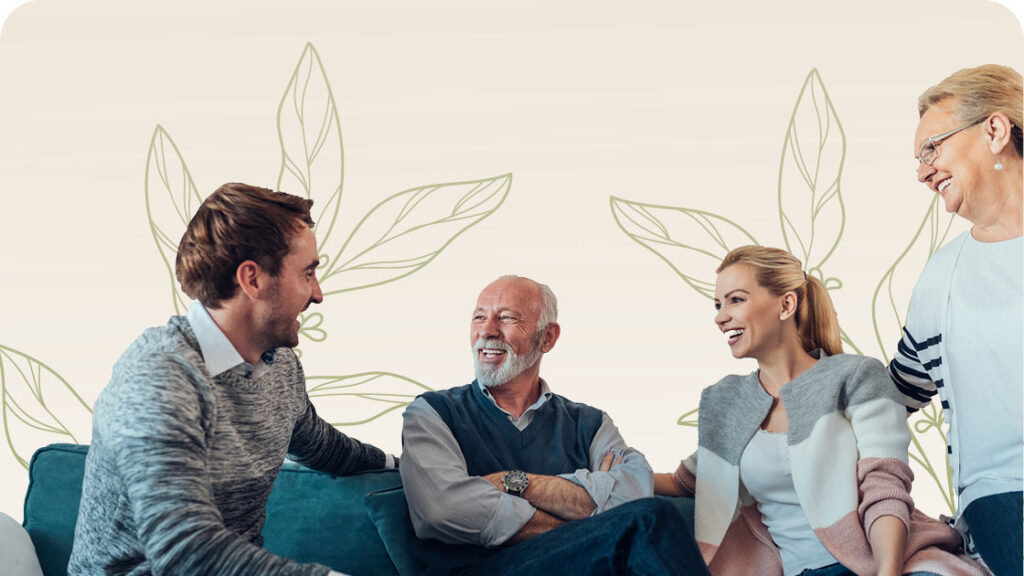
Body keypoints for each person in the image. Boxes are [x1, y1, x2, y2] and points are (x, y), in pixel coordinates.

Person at [69, 183, 396, 576]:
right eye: (307, 272)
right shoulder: (159, 375)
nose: (318, 293)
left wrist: (402, 465)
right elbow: (184, 549)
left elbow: (321, 445)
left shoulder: (279, 366)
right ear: (252, 279)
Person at [654, 246, 984, 576]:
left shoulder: (855, 376)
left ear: (786, 305)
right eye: (718, 304)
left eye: (736, 300)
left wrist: (887, 573)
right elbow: (687, 481)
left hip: (888, 563)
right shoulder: (727, 400)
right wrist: (607, 477)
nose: (721, 316)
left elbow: (884, 485)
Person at [399, 275, 708, 575]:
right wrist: (591, 521)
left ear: (547, 337)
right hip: (479, 569)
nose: (488, 331)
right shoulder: (432, 413)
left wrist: (514, 482)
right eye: (479, 318)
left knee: (645, 521)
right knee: (649, 523)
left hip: (576, 564)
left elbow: (632, 493)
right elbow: (443, 508)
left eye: (506, 318)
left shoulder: (591, 423)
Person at [888, 64, 1023, 576]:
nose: (923, 172)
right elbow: (898, 393)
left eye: (932, 149)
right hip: (1005, 492)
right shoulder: (941, 278)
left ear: (994, 131)